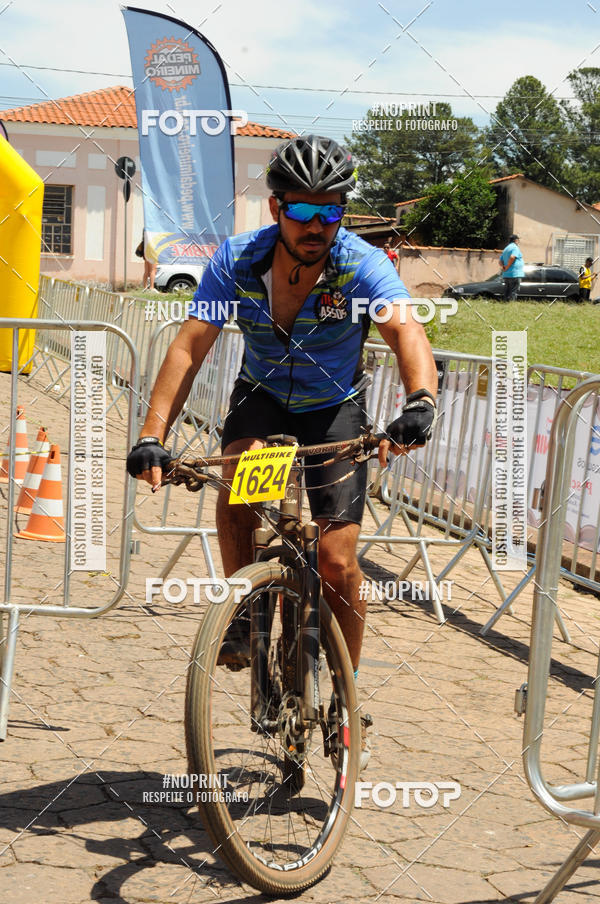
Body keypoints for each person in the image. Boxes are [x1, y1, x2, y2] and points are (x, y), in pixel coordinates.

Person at [126, 135, 438, 768]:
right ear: (276, 210)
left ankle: (347, 694)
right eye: (304, 212)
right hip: (262, 398)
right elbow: (191, 344)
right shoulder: (236, 262)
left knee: (335, 561)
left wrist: (421, 401)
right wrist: (152, 436)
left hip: (332, 411)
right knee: (240, 485)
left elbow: (404, 326)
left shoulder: (361, 263)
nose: (319, 226)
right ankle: (242, 613)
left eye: (332, 211)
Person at [499, 234, 524, 301]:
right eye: (518, 240)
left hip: (506, 274)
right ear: (516, 240)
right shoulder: (515, 247)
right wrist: (507, 267)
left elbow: (500, 261)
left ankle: (505, 304)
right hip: (515, 274)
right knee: (513, 292)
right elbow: (512, 257)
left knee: (507, 292)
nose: (519, 242)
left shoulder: (506, 249)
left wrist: (503, 268)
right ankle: (511, 305)